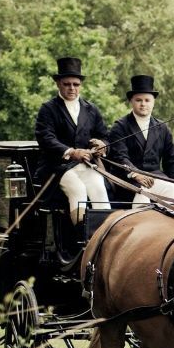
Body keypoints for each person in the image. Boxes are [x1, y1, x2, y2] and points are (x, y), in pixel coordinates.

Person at [34, 56, 111, 225]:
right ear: (58, 84)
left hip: (86, 165)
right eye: (66, 84)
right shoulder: (48, 109)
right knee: (78, 189)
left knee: (99, 187)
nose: (71, 88)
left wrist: (102, 145)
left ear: (80, 85)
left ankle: (102, 237)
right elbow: (45, 137)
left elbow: (104, 135)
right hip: (57, 168)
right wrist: (70, 152)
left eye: (75, 84)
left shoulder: (91, 110)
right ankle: (79, 240)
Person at [108, 74, 174, 205]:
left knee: (171, 188)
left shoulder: (162, 128)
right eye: (138, 100)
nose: (143, 104)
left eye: (147, 100)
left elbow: (171, 159)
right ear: (131, 101)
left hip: (155, 178)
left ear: (153, 102)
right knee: (142, 194)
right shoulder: (120, 126)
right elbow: (120, 157)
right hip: (129, 180)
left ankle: (167, 224)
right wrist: (135, 174)